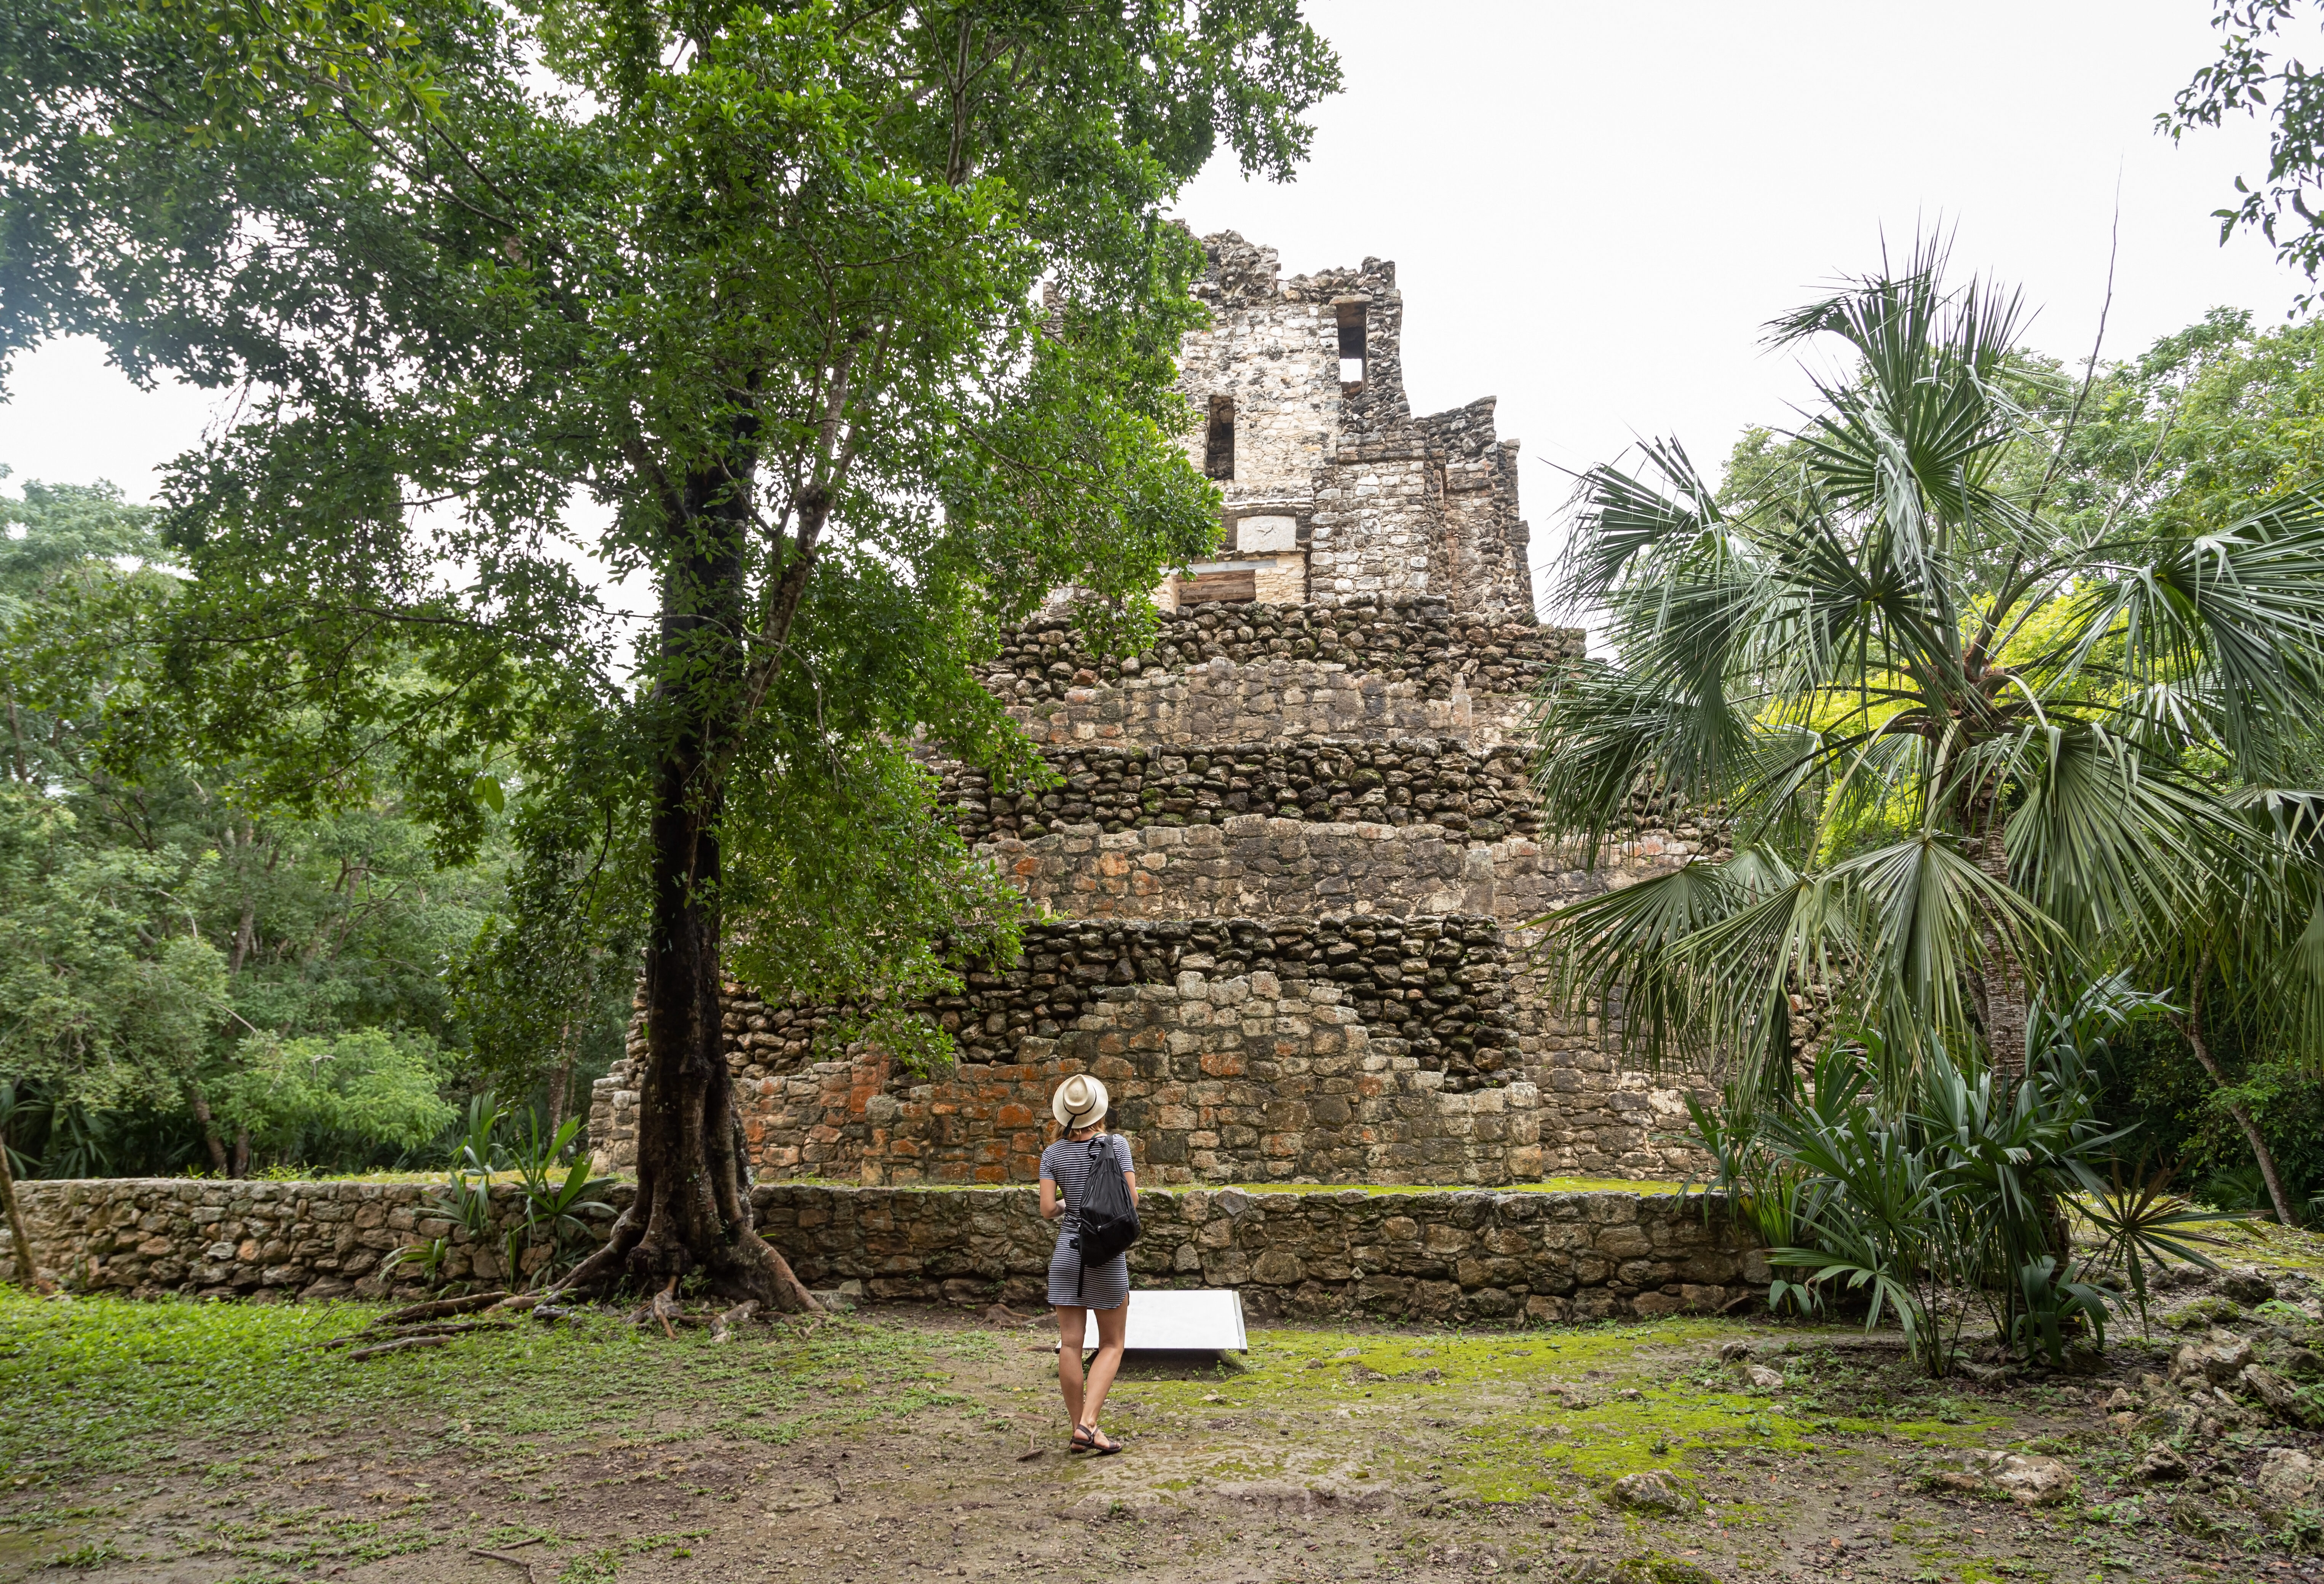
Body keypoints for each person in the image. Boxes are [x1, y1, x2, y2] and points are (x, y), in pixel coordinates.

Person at [1039, 1073, 1134, 1455]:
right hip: (1105, 1254)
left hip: (1067, 1252)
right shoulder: (1116, 1144)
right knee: (1112, 1342)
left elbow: (1048, 1209)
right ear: (1099, 1108)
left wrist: (1070, 1203)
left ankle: (1078, 1428)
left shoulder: (1052, 1153)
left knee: (1070, 1344)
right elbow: (1131, 1201)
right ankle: (1089, 1424)